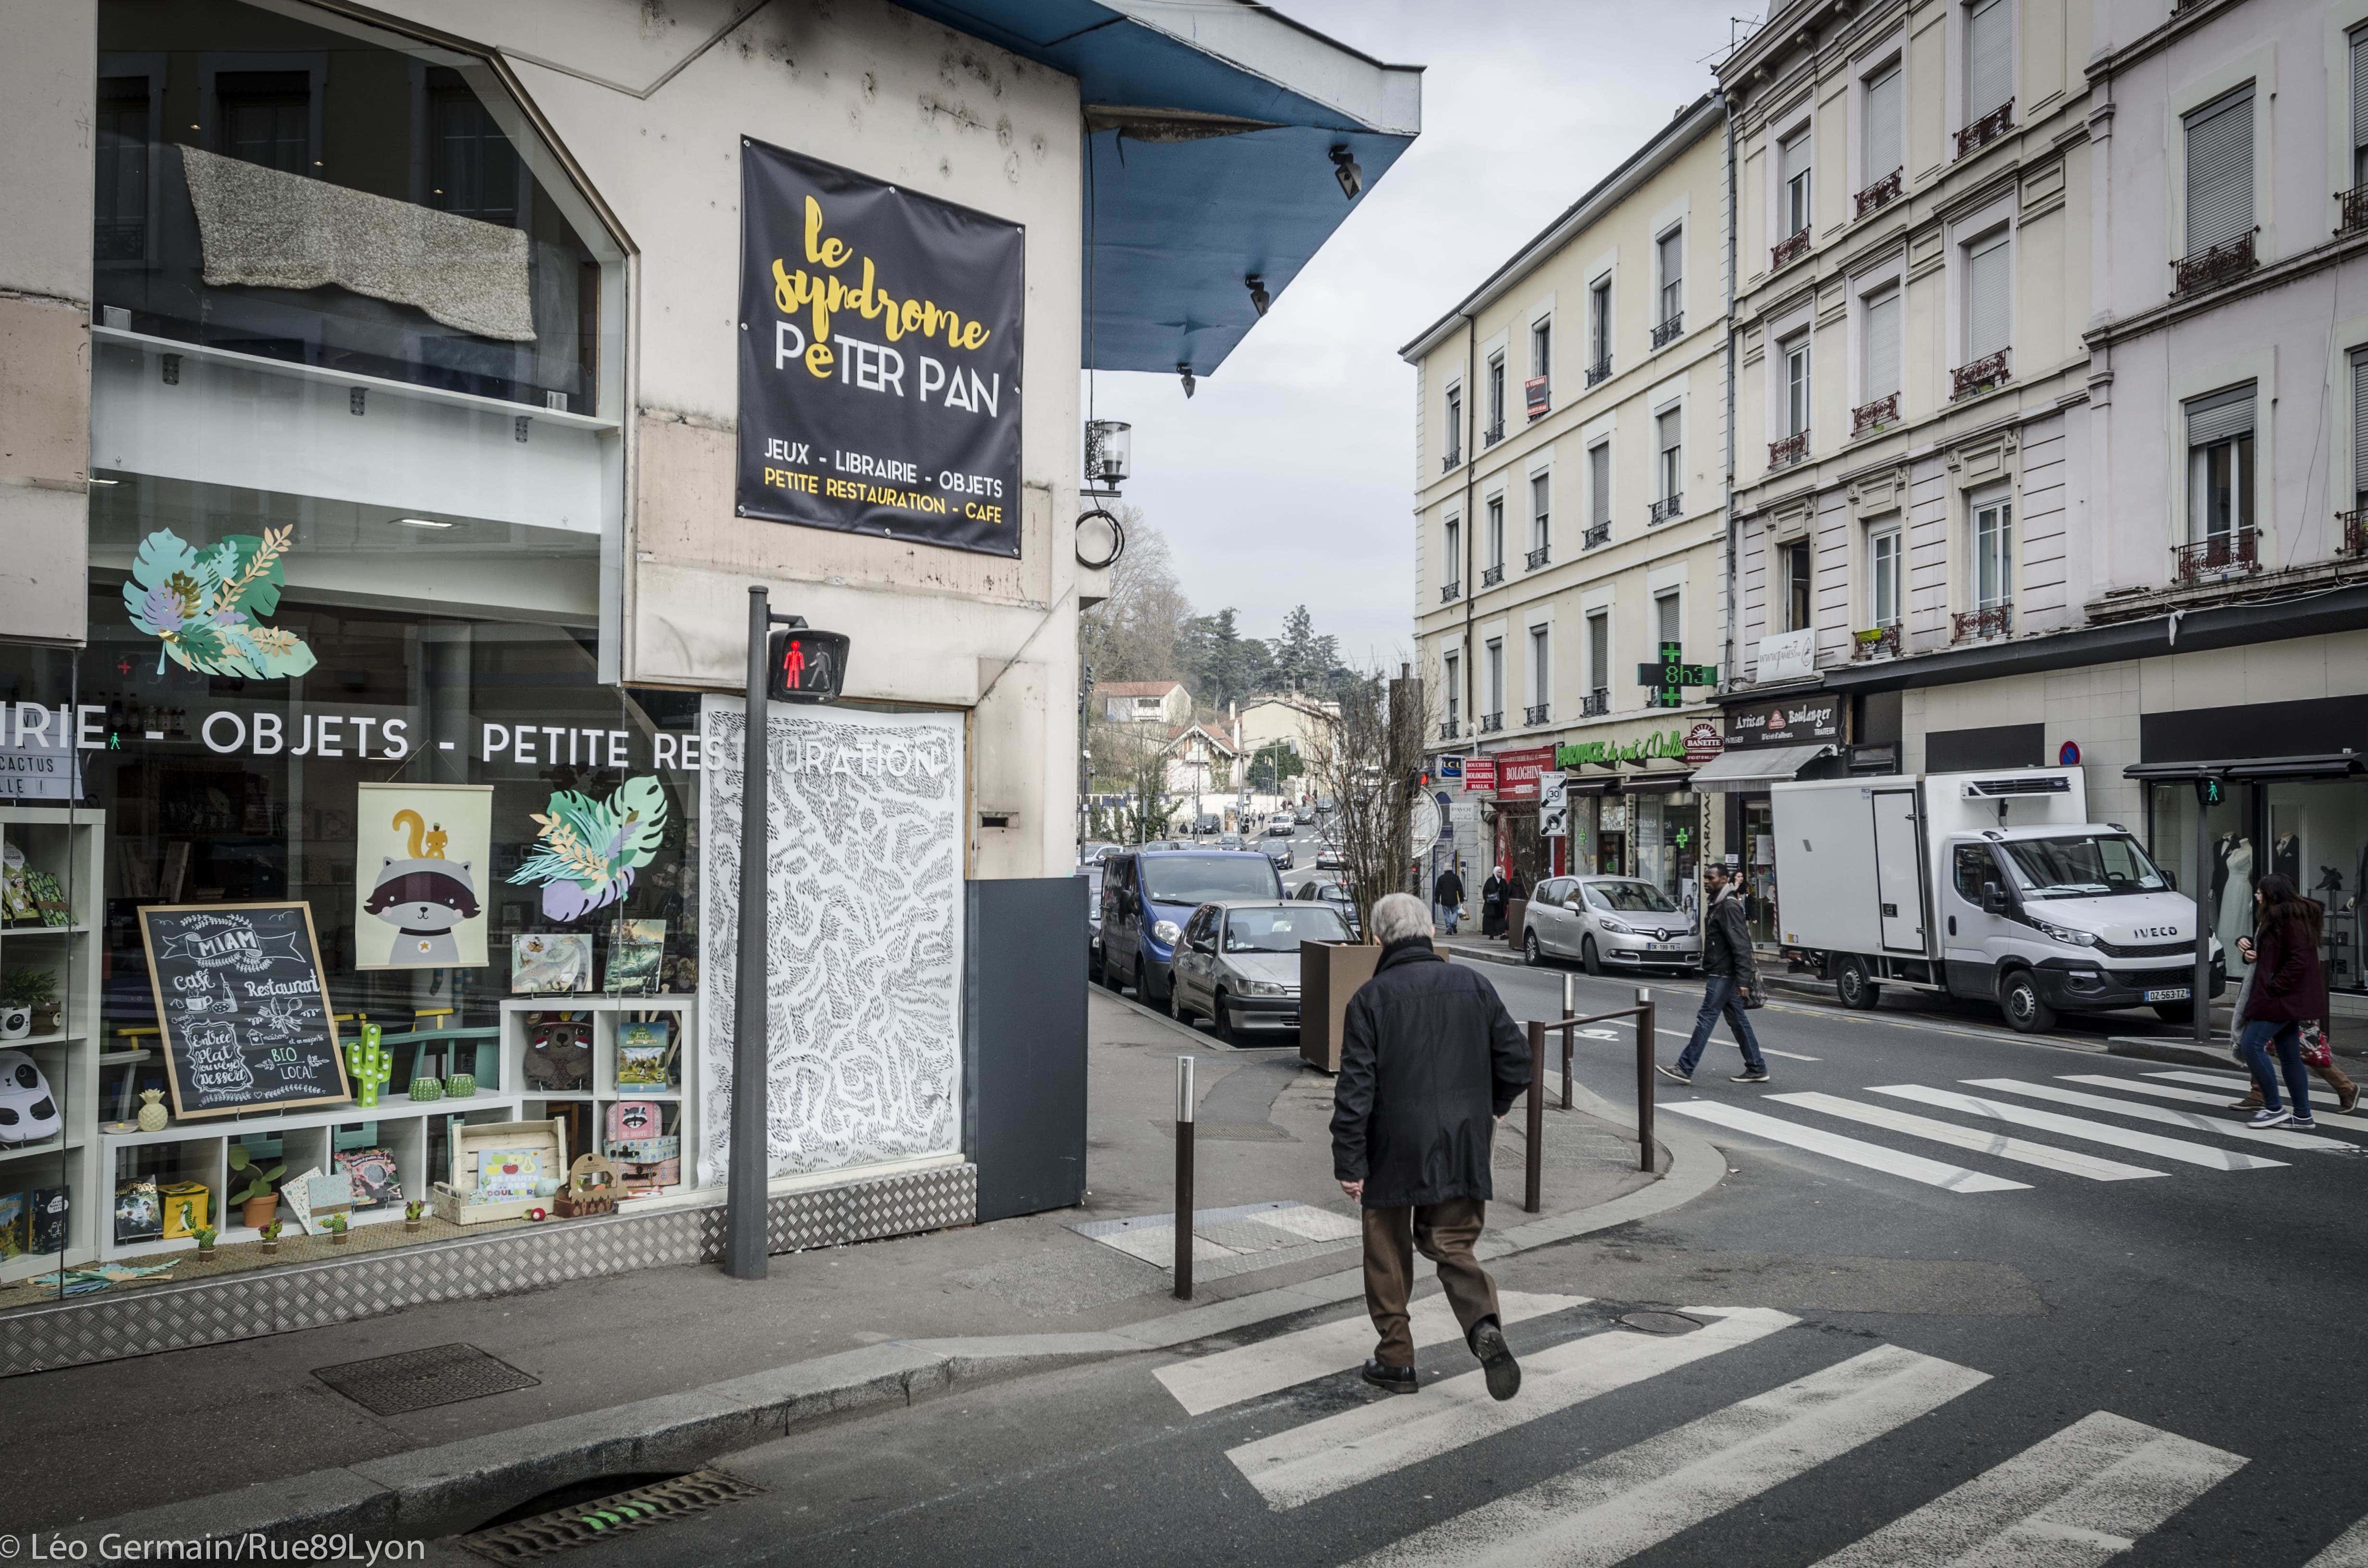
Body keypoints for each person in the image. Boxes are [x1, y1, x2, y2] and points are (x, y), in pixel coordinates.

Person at [1332, 892, 1531, 1401]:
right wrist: (1496, 1105)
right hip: (1462, 1141)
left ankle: (1396, 1359)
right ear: (1433, 933)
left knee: (1386, 1253)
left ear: (1377, 939)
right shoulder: (1473, 985)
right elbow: (1517, 1062)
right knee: (1452, 1244)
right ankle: (1482, 1325)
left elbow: (1354, 1091)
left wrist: (1349, 1163)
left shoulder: (1370, 1000)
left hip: (1390, 1146)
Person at [2231, 873, 2329, 1129]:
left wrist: (2274, 986)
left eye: (2261, 892)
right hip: (2285, 997)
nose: (2257, 895)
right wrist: (2252, 951)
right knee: (2289, 1056)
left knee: (2251, 1045)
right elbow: (2277, 954)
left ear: (2273, 894)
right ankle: (2303, 1116)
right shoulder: (2285, 917)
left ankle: (2274, 1108)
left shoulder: (2288, 919)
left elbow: (2298, 961)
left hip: (2281, 998)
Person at [1659, 863, 1770, 1086]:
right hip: (1722, 971)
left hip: (1724, 973)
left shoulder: (1728, 906)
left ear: (1724, 880)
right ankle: (1757, 1067)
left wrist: (1743, 980)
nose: (1707, 881)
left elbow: (1741, 945)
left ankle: (1685, 1067)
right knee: (1738, 1020)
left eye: (1711, 878)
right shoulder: (1718, 903)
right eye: (1705, 877)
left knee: (1706, 1018)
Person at [1431, 861, 1466, 935]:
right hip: (1454, 899)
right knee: (1456, 912)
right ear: (1451, 869)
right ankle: (1454, 923)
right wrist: (1462, 899)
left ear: (1444, 870)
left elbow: (1437, 890)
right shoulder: (1456, 878)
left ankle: (1449, 929)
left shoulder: (1441, 879)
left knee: (1446, 915)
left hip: (1445, 900)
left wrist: (1437, 899)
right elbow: (1460, 889)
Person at [1480, 867, 1510, 938]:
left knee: (1501, 921)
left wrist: (1507, 902)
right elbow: (1485, 891)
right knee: (1491, 921)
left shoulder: (1504, 882)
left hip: (1501, 905)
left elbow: (1506, 892)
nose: (1500, 874)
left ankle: (1501, 933)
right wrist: (1487, 898)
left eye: (1501, 873)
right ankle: (1492, 934)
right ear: (1495, 873)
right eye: (1499, 873)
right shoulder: (1490, 881)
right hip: (1491, 905)